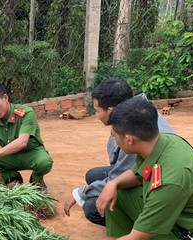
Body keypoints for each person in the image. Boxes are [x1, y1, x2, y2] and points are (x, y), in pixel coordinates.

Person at [58, 98, 193, 240]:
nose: (113, 138)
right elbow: (138, 174)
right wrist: (113, 183)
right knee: (115, 193)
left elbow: (137, 239)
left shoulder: (171, 179)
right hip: (172, 218)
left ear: (129, 139)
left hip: (188, 238)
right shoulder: (158, 142)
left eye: (114, 134)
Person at [63, 78, 175, 225]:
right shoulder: (142, 112)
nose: (96, 116)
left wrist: (80, 194)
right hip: (147, 172)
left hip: (157, 186)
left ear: (111, 110)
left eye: (97, 111)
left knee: (92, 207)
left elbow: (129, 173)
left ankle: (133, 223)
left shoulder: (132, 134)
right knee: (94, 175)